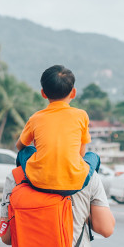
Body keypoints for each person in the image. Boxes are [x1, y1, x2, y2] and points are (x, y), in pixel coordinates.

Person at [15, 65, 100, 195]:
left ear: (43, 93)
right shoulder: (81, 115)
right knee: (93, 157)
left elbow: (20, 146)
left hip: (38, 184)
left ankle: (21, 185)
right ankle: (91, 194)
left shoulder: (36, 118)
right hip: (75, 184)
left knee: (26, 151)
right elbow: (81, 155)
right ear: (73, 92)